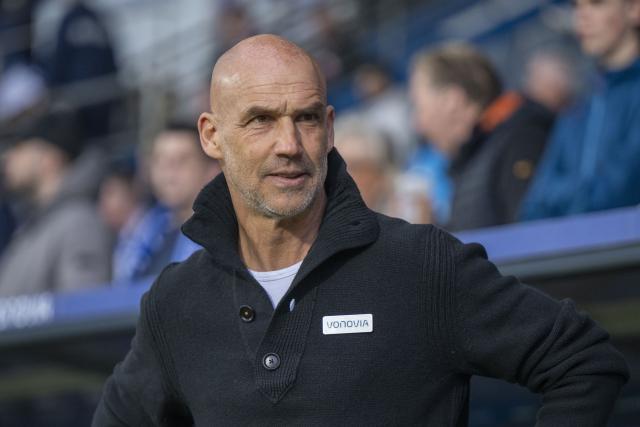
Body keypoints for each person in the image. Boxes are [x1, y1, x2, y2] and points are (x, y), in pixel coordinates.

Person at [93, 34, 628, 426]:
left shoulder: (422, 265)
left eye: (305, 118)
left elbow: (583, 362)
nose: (289, 144)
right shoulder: (175, 301)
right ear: (211, 136)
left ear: (329, 128)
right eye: (260, 120)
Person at [409, 42, 554, 231]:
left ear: (452, 101)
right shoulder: (474, 157)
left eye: (419, 108)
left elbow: (531, 239)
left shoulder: (522, 138)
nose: (418, 126)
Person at [520, 0, 640, 220]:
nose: (582, 17)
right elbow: (534, 204)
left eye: (596, 4)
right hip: (583, 252)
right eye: (577, 6)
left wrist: (567, 197)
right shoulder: (579, 107)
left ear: (634, 9)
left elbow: (622, 191)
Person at [0, 110, 111, 296]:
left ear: (49, 159)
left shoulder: (79, 222)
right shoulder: (34, 222)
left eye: (19, 147)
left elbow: (83, 312)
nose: (8, 157)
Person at [110, 123, 220, 283]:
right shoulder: (144, 229)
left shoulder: (226, 234)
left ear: (212, 170)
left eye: (181, 160)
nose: (168, 171)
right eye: (159, 160)